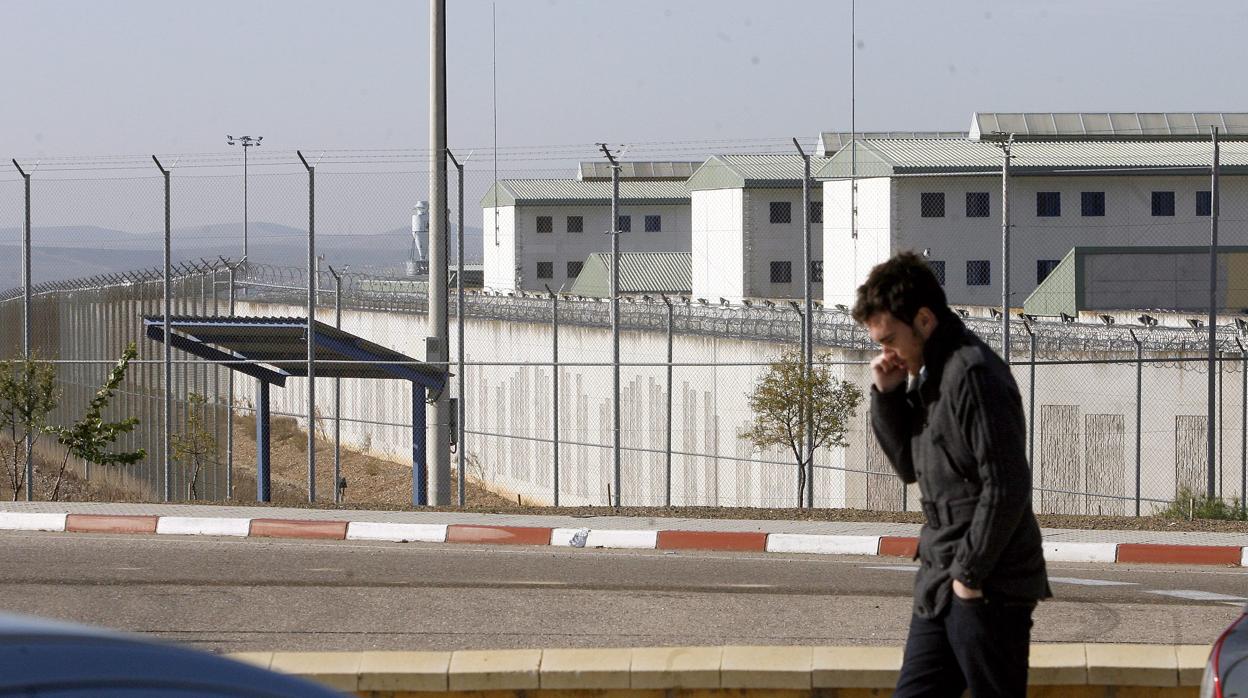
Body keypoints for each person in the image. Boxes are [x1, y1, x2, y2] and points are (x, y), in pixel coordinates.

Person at [852, 251, 1050, 698]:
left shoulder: (973, 376)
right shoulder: (928, 375)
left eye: (889, 339)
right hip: (942, 575)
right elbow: (908, 468)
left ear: (924, 320)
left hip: (988, 584)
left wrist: (969, 577)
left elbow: (1007, 485)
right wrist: (887, 396)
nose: (885, 351)